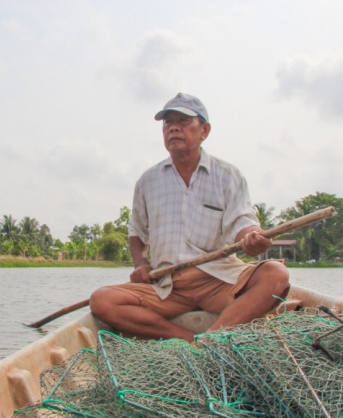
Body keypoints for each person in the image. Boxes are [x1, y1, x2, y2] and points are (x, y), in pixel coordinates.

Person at [89, 93, 289, 342]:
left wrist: (251, 238)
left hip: (219, 279)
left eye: (183, 121)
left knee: (275, 275)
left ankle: (212, 338)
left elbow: (243, 223)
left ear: (204, 130)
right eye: (167, 123)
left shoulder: (227, 175)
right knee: (102, 300)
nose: (173, 127)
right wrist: (140, 263)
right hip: (168, 286)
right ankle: (190, 340)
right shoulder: (148, 181)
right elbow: (136, 232)